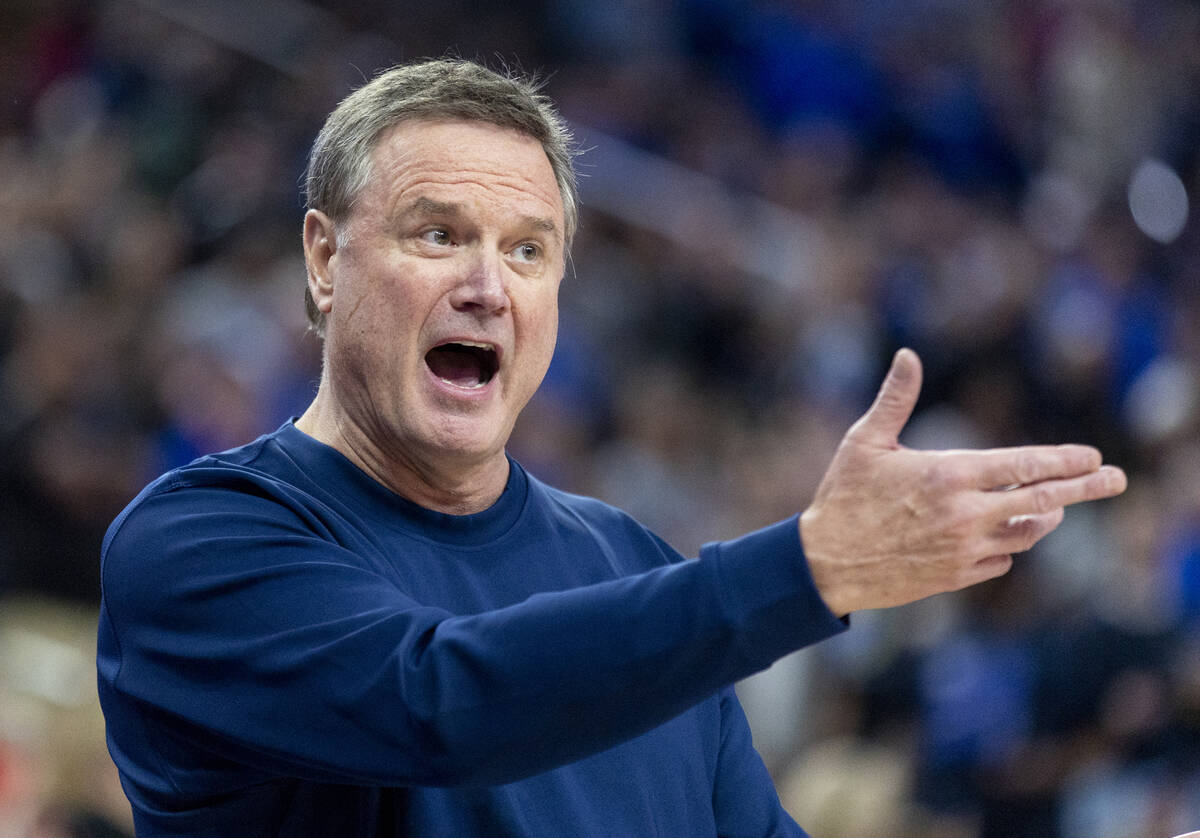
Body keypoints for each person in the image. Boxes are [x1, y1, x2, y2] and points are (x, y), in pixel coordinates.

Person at [96, 58, 1127, 837]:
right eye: (439, 234)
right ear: (325, 260)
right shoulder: (197, 543)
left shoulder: (630, 564)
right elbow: (440, 706)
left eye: (528, 250)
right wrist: (809, 568)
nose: (487, 287)